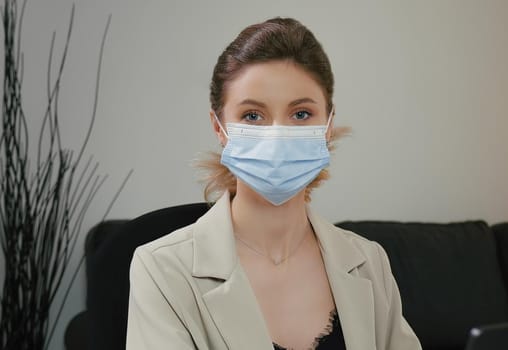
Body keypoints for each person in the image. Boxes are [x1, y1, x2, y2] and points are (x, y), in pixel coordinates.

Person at [126, 17, 422, 350]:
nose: (278, 135)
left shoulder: (369, 262)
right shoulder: (162, 270)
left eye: (300, 114)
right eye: (253, 115)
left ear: (328, 124)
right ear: (218, 126)